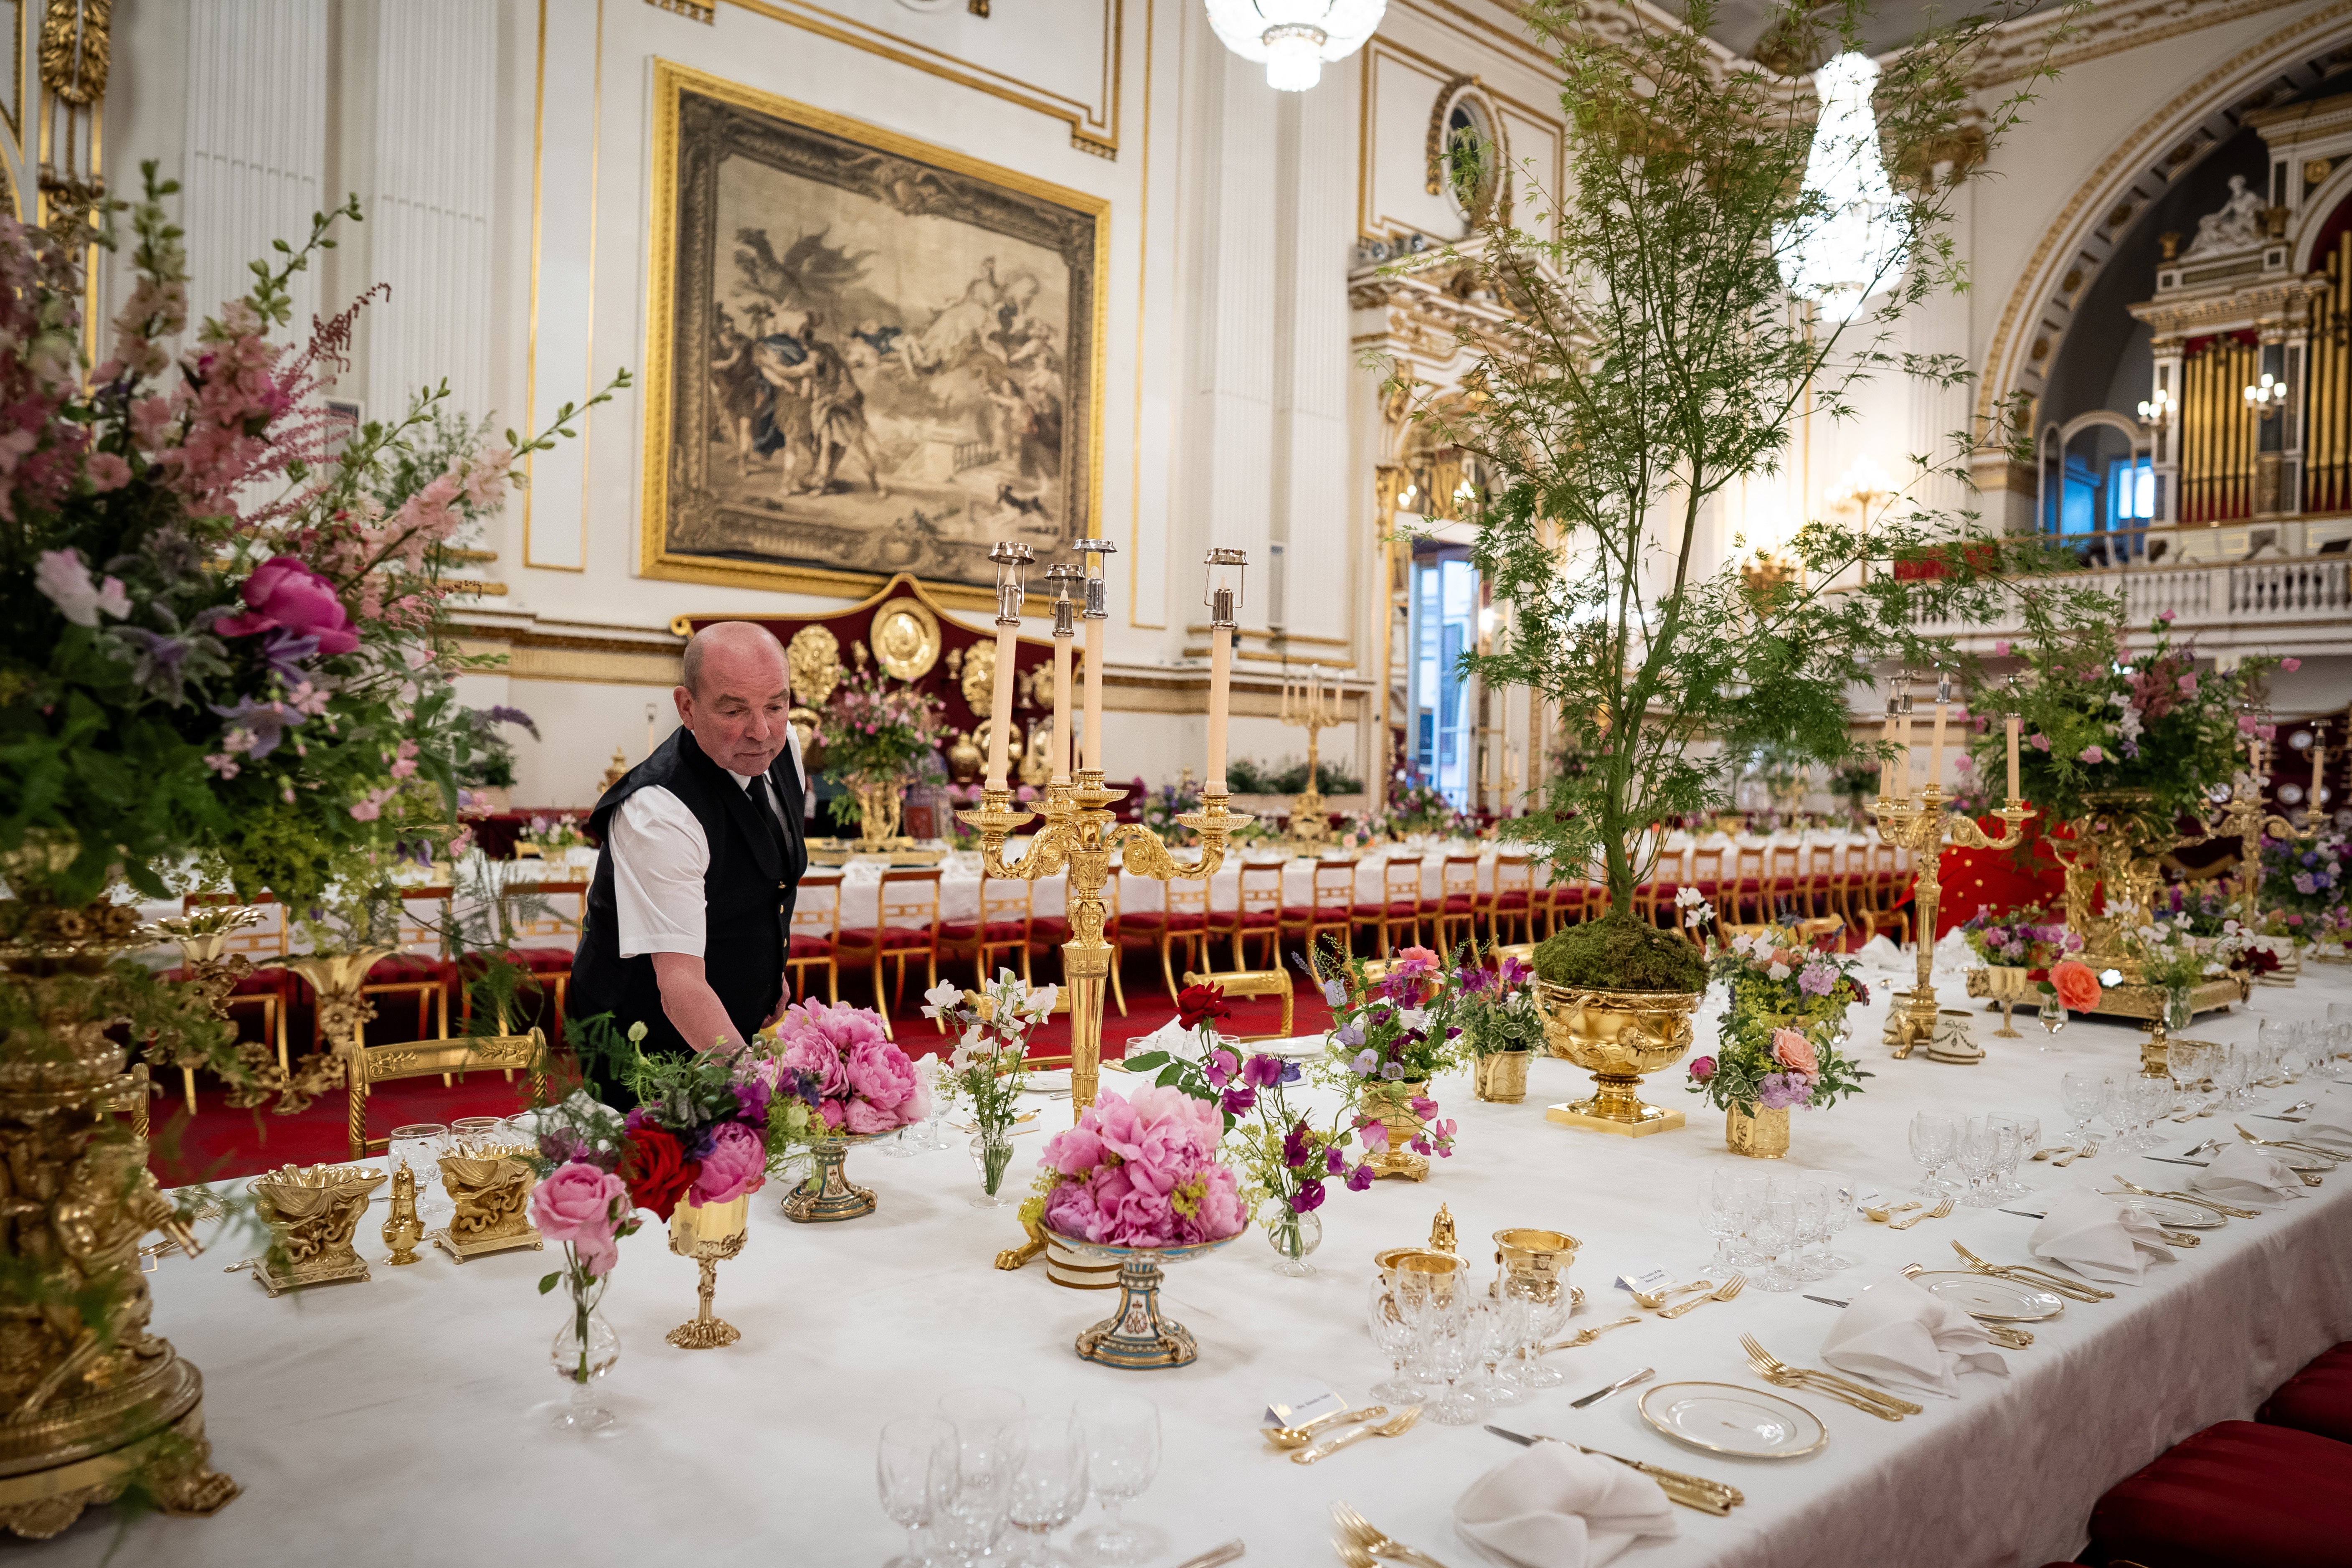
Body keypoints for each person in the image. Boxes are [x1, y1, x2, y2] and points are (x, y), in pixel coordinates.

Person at [570, 621, 809, 1060]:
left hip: (726, 1022)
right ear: (687, 707)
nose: (761, 731)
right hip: (641, 1041)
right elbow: (679, 982)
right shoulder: (658, 812)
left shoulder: (784, 748)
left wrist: (769, 971)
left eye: (776, 705)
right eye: (734, 711)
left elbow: (766, 878)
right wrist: (758, 1088)